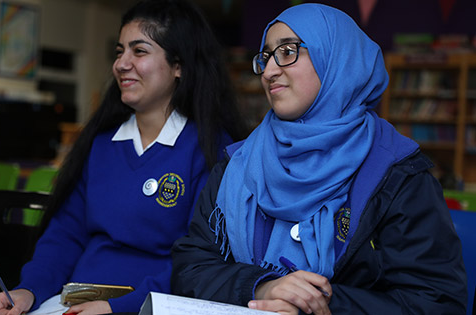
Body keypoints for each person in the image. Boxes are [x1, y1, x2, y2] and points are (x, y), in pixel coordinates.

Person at [171, 3, 467, 315]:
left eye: (287, 51)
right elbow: (191, 268)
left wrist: (317, 303)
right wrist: (261, 286)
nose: (270, 71)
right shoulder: (237, 163)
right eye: (266, 56)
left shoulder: (398, 176)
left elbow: (436, 303)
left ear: (336, 59)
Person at [0, 0, 246, 314]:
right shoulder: (101, 143)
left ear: (179, 65)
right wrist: (29, 289)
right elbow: (65, 235)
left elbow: (197, 262)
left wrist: (118, 308)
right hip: (77, 302)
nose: (121, 64)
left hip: (154, 306)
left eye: (139, 51)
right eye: (119, 51)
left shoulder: (209, 148)